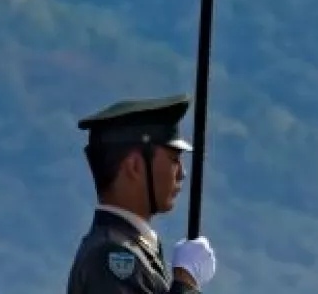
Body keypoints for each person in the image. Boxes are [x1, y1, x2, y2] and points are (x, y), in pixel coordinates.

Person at [66, 94, 218, 294]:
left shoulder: (131, 248)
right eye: (174, 159)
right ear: (135, 166)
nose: (182, 172)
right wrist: (185, 281)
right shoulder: (111, 257)